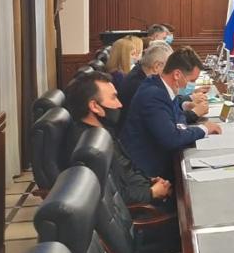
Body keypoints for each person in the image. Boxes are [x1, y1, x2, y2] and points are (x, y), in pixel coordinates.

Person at [63, 71, 172, 206]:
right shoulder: (92, 148)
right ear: (94, 106)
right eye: (113, 98)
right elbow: (112, 196)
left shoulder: (103, 131)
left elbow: (125, 169)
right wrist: (151, 192)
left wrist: (149, 181)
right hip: (140, 208)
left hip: (141, 188)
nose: (120, 104)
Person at [121, 47, 221, 180]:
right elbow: (172, 138)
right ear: (177, 74)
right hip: (148, 173)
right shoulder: (153, 95)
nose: (192, 85)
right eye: (191, 80)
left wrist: (182, 128)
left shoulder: (161, 86)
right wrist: (204, 129)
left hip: (160, 160)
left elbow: (179, 120)